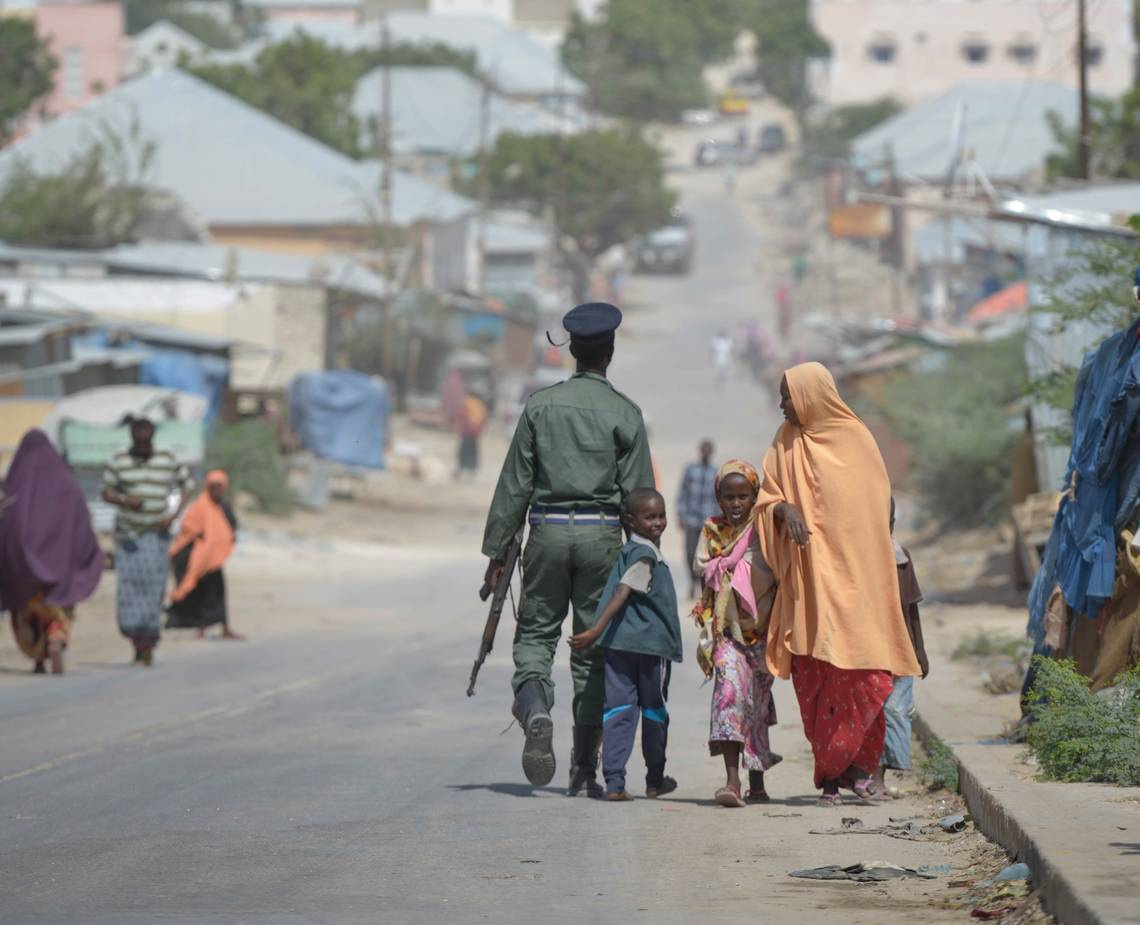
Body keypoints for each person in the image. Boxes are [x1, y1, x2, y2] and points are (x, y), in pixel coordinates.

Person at [482, 302, 656, 795]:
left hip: (547, 533)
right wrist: (644, 560)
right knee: (592, 649)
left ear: (573, 351)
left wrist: (497, 553)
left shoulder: (540, 406)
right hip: (602, 539)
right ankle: (584, 768)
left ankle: (536, 706)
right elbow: (640, 500)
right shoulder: (626, 413)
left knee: (536, 636)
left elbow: (514, 485)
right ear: (611, 351)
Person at [756, 363, 921, 805]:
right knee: (818, 685)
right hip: (810, 589)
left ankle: (862, 771)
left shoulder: (859, 440)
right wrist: (783, 509)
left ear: (811, 396)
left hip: (860, 588)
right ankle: (830, 775)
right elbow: (766, 500)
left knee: (867, 679)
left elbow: (879, 512)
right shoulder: (784, 441)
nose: (781, 405)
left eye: (787, 396)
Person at [568, 488, 682, 801]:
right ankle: (655, 780)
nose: (657, 522)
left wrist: (600, 634)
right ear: (630, 520)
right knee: (654, 712)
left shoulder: (630, 549)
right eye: (650, 517)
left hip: (618, 646)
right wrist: (595, 630)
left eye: (661, 516)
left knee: (618, 711)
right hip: (649, 648)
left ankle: (615, 783)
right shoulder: (644, 555)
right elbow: (622, 591)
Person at [692, 459, 782, 807]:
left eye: (743, 496)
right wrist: (724, 566)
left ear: (754, 496)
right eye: (728, 497)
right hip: (727, 633)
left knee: (756, 707)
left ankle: (757, 783)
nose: (735, 504)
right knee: (728, 694)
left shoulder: (763, 531)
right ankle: (732, 782)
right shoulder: (711, 531)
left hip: (761, 632)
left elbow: (774, 572)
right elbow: (701, 565)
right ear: (718, 498)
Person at [0, 430, 103, 674]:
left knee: (26, 610)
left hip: (25, 571)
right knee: (59, 607)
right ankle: (56, 638)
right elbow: (82, 525)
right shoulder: (68, 485)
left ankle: (38, 655)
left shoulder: (14, 486)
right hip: (61, 569)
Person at [102, 416, 194, 666]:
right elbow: (106, 492)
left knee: (153, 589)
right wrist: (125, 501)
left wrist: (173, 515)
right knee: (130, 589)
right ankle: (136, 641)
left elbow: (187, 484)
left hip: (157, 535)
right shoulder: (119, 459)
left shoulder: (167, 457)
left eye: (146, 441)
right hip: (129, 537)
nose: (142, 447)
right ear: (131, 437)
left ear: (152, 436)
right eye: (137, 441)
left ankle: (148, 644)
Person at [874, 497, 929, 797]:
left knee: (894, 711)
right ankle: (866, 778)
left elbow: (912, 608)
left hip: (901, 648)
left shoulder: (901, 558)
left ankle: (879, 778)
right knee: (871, 715)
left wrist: (920, 650)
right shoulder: (858, 560)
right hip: (869, 652)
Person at [166, 470, 243, 640]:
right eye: (213, 486)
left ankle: (224, 627)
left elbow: (231, 526)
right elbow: (188, 527)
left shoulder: (223, 507)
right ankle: (200, 627)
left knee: (218, 592)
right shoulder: (200, 506)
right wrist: (202, 537)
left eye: (219, 486)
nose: (216, 490)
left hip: (214, 560)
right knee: (199, 592)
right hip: (198, 558)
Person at [676, 440, 719, 598]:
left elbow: (719, 498)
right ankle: (692, 581)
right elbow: (683, 492)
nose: (706, 453)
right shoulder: (691, 470)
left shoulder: (716, 472)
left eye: (709, 450)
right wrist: (680, 514)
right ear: (700, 451)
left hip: (709, 522)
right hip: (691, 519)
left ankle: (703, 585)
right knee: (689, 552)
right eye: (704, 450)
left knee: (707, 555)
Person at [455, 387, 489, 479]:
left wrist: (461, 428)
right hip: (475, 432)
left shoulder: (467, 403)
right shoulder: (480, 405)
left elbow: (461, 415)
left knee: (463, 450)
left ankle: (460, 469)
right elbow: (484, 418)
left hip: (467, 431)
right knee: (473, 451)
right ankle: (472, 471)